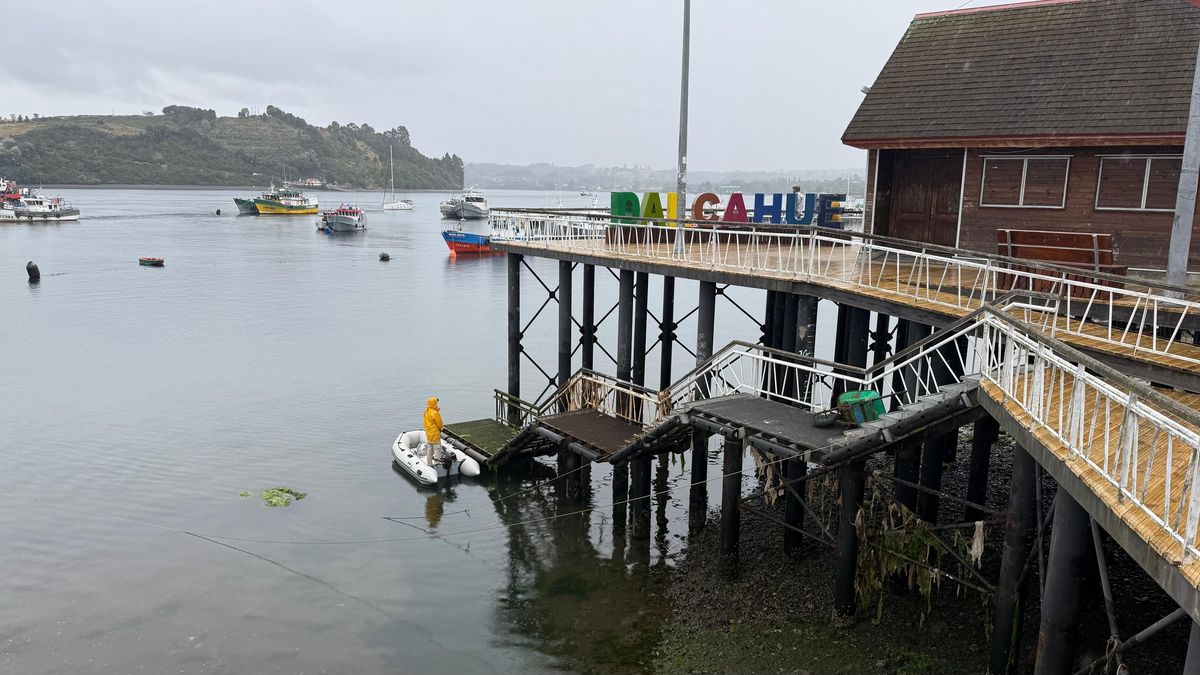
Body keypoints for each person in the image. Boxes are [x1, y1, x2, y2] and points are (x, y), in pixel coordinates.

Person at [422, 397, 444, 466]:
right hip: (435, 434)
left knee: (430, 449)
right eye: (436, 402)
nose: (437, 403)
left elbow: (425, 421)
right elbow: (439, 423)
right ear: (434, 403)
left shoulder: (426, 411)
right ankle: (437, 465)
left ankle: (429, 463)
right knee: (437, 449)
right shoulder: (435, 413)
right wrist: (441, 429)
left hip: (429, 434)